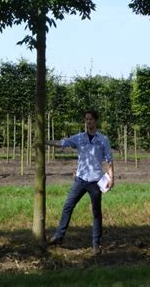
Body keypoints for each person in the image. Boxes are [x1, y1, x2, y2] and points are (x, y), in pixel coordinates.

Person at [46, 109, 114, 255]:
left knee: (96, 212)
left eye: (90, 119)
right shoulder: (79, 138)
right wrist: (45, 141)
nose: (88, 122)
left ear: (96, 121)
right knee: (68, 206)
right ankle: (58, 237)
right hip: (80, 179)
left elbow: (109, 160)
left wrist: (111, 178)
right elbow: (62, 143)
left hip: (95, 181)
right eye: (86, 119)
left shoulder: (103, 140)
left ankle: (96, 244)